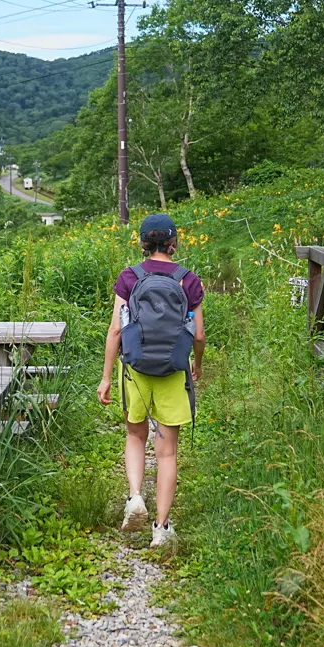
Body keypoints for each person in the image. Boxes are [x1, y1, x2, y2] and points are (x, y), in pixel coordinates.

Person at [98, 212, 204, 547]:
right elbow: (198, 334)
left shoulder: (130, 277)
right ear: (174, 242)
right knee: (167, 452)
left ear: (143, 243)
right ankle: (161, 528)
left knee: (134, 433)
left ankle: (135, 498)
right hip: (173, 369)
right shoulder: (189, 279)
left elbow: (116, 329)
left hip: (136, 366)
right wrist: (196, 365)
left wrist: (105, 378)